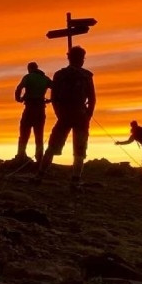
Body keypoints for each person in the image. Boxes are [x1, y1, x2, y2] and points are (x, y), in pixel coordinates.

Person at [37, 46, 96, 189]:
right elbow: (92, 97)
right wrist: (88, 114)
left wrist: (59, 113)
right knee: (80, 148)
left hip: (66, 115)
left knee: (53, 145)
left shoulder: (60, 75)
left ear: (68, 57)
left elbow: (54, 97)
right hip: (80, 115)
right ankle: (75, 179)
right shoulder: (86, 75)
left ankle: (40, 175)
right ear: (81, 59)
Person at [14, 61, 52, 163]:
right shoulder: (45, 78)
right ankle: (39, 159)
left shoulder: (28, 77)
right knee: (39, 135)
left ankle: (21, 155)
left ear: (29, 68)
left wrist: (19, 98)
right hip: (40, 108)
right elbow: (55, 87)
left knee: (24, 132)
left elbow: (19, 88)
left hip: (30, 108)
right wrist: (51, 99)